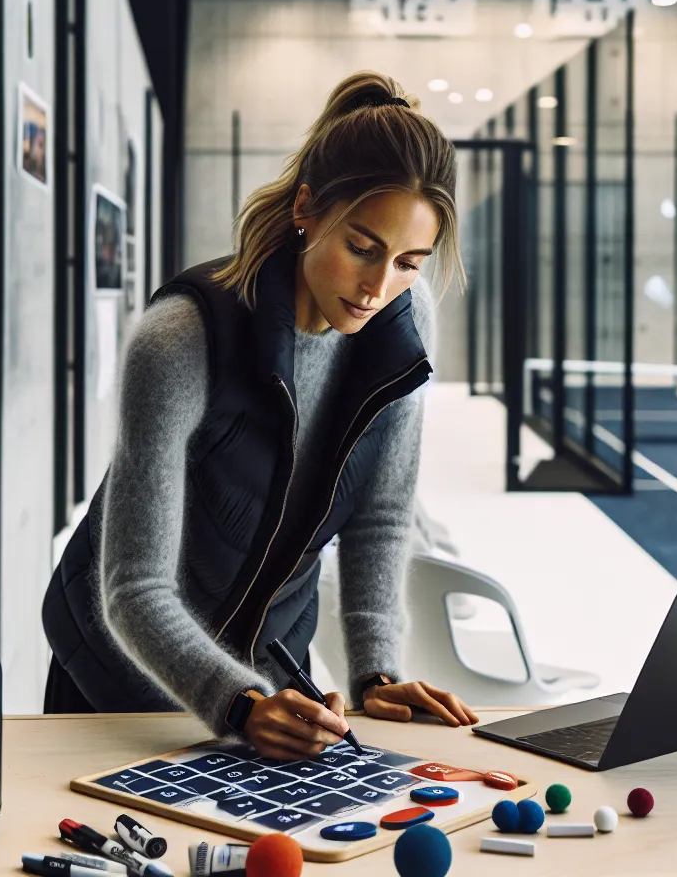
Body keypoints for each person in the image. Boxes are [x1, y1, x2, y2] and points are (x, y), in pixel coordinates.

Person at [40, 71, 480, 760]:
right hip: (120, 686)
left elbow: (382, 515)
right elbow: (133, 587)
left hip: (268, 685)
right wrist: (237, 704)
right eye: (362, 249)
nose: (378, 287)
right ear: (307, 206)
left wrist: (376, 672)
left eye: (409, 262)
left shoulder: (404, 315)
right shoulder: (181, 339)